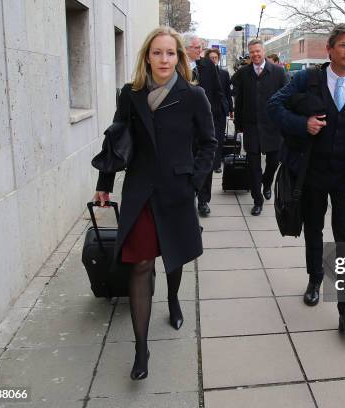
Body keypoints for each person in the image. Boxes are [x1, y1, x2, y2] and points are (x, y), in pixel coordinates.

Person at [93, 27, 216, 380]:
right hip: (140, 190)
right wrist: (104, 183)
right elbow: (116, 139)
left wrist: (193, 181)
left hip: (177, 191)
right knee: (141, 263)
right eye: (157, 53)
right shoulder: (130, 95)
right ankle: (141, 347)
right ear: (147, 56)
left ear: (179, 58)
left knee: (173, 255)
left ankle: (174, 299)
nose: (164, 59)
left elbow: (209, 142)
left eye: (170, 53)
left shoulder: (194, 95)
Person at [266, 24, 345, 332]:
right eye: (343, 45)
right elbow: (273, 106)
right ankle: (314, 280)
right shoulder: (306, 79)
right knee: (313, 230)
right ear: (329, 49)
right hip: (312, 173)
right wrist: (303, 124)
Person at [234, 39, 287, 215]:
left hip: (273, 127)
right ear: (249, 54)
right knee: (253, 166)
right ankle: (258, 200)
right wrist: (238, 124)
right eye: (252, 52)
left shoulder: (278, 72)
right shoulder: (243, 73)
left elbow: (287, 98)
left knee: (273, 162)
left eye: (258, 51)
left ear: (263, 51)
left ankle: (267, 182)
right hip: (251, 127)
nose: (255, 55)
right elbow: (239, 100)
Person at [184, 34, 224, 216]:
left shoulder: (208, 65)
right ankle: (186, 197)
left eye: (201, 47)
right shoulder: (177, 66)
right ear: (185, 49)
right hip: (184, 125)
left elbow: (217, 90)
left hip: (206, 123)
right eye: (196, 48)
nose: (200, 51)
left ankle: (203, 201)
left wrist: (218, 114)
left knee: (205, 162)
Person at [205, 48, 234, 173]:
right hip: (206, 111)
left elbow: (228, 92)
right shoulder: (202, 73)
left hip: (221, 110)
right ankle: (207, 163)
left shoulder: (224, 74)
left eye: (215, 58)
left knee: (219, 137)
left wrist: (231, 108)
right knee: (208, 137)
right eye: (211, 58)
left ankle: (216, 164)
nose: (213, 60)